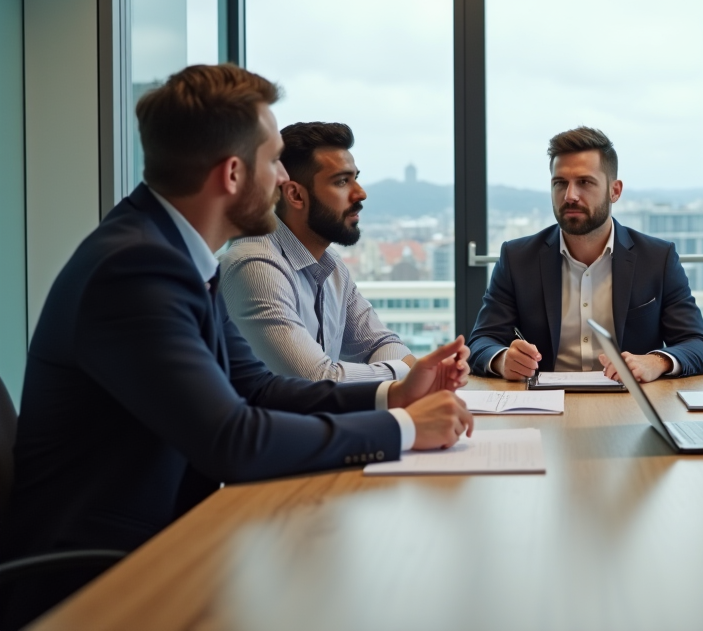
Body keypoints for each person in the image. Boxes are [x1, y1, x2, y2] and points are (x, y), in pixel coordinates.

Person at [0, 65, 474, 628]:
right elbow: (232, 438)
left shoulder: (175, 256)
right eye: (273, 160)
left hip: (170, 546)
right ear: (231, 173)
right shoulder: (135, 269)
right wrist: (407, 431)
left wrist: (396, 394)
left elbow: (256, 388)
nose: (281, 179)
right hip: (100, 583)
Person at [220, 121, 457, 385]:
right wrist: (405, 370)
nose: (361, 193)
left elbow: (380, 342)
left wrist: (406, 367)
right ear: (296, 195)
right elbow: (316, 380)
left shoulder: (331, 265)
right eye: (342, 181)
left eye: (356, 178)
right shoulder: (254, 266)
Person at [468, 127, 703, 382]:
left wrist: (655, 361)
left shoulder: (657, 258)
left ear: (615, 191)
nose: (570, 195)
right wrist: (503, 359)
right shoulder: (517, 258)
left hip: (629, 404)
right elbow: (481, 341)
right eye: (560, 183)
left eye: (584, 182)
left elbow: (698, 345)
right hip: (545, 405)